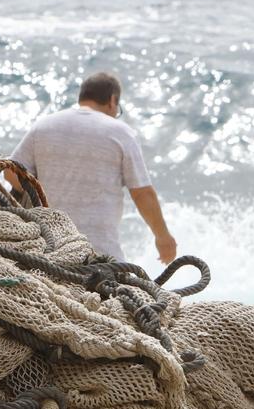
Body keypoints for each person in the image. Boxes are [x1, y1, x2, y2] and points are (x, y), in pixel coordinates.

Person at [10, 72, 177, 265]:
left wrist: (46, 189)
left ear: (82, 97)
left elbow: (11, 173)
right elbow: (142, 193)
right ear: (113, 101)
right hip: (100, 252)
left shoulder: (43, 126)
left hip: (48, 248)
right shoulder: (120, 132)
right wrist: (163, 237)